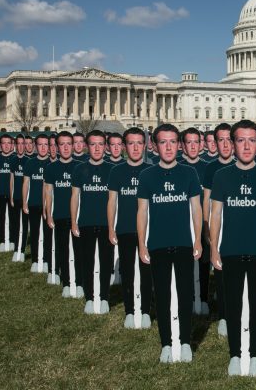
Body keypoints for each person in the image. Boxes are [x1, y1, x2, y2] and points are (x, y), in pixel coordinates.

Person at [209, 120, 256, 376]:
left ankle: (254, 354)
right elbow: (215, 214)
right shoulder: (221, 176)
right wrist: (214, 248)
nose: (247, 145)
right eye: (241, 140)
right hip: (229, 250)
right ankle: (234, 354)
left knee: (255, 305)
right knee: (233, 306)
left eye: (252, 140)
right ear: (232, 143)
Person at [137, 124, 202, 362]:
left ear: (179, 145)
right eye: (163, 142)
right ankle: (166, 343)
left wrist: (198, 239)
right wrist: (142, 244)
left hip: (184, 243)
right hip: (157, 245)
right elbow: (142, 212)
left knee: (185, 295)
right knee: (163, 296)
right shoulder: (147, 176)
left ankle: (185, 342)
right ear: (154, 146)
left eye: (173, 142)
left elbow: (196, 208)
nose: (168, 147)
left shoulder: (189, 174)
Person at [108, 127, 153, 328]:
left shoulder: (151, 171)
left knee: (146, 272)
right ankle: (129, 310)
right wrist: (111, 228)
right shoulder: (117, 171)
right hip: (125, 228)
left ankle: (144, 310)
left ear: (144, 146)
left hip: (149, 230)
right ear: (125, 147)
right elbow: (112, 202)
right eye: (131, 143)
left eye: (139, 143)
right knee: (127, 271)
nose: (135, 148)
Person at [71, 130, 115, 314]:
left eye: (100, 144)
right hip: (86, 223)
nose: (97, 148)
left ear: (105, 147)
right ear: (87, 147)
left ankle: (104, 297)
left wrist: (113, 225)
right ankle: (89, 297)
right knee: (87, 261)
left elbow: (115, 200)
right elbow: (74, 197)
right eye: (93, 144)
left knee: (105, 262)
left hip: (106, 224)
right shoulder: (79, 169)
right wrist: (74, 222)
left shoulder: (111, 169)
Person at [202, 123, 235, 335]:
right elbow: (206, 200)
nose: (224, 144)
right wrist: (207, 229)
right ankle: (224, 315)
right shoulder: (211, 168)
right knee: (222, 275)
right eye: (220, 140)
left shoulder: (245, 164)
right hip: (219, 226)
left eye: (227, 140)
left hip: (239, 227)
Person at [44, 131, 82, 294]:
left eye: (69, 144)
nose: (66, 147)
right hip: (60, 214)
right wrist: (49, 214)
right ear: (58, 147)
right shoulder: (51, 168)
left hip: (79, 217)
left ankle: (79, 282)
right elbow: (48, 192)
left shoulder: (80, 167)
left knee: (80, 251)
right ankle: (66, 282)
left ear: (73, 146)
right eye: (62, 144)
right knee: (63, 249)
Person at [179, 127, 211, 315]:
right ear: (183, 145)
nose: (192, 146)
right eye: (188, 142)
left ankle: (204, 297)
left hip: (203, 221)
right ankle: (188, 297)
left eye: (196, 142)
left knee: (204, 262)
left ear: (201, 145)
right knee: (184, 264)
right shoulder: (176, 167)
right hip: (183, 222)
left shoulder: (207, 168)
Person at [23, 134, 50, 272]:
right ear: (35, 146)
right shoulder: (30, 163)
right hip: (34, 202)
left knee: (47, 234)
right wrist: (24, 202)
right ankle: (35, 260)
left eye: (46, 144)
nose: (43, 147)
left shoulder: (52, 163)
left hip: (49, 205)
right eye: (40, 144)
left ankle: (46, 260)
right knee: (34, 233)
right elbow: (26, 183)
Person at [0, 134, 15, 252]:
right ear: (0, 145)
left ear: (12, 145)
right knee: (1, 218)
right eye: (3, 143)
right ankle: (2, 241)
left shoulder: (16, 158)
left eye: (8, 143)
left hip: (13, 195)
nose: (6, 145)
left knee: (13, 218)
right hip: (0, 193)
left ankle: (12, 240)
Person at [10, 135, 29, 261]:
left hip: (26, 199)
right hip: (16, 197)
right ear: (16, 146)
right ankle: (17, 248)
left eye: (23, 143)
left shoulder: (29, 160)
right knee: (16, 224)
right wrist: (11, 196)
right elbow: (11, 179)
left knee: (25, 225)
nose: (21, 146)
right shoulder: (13, 160)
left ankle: (22, 250)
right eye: (19, 144)